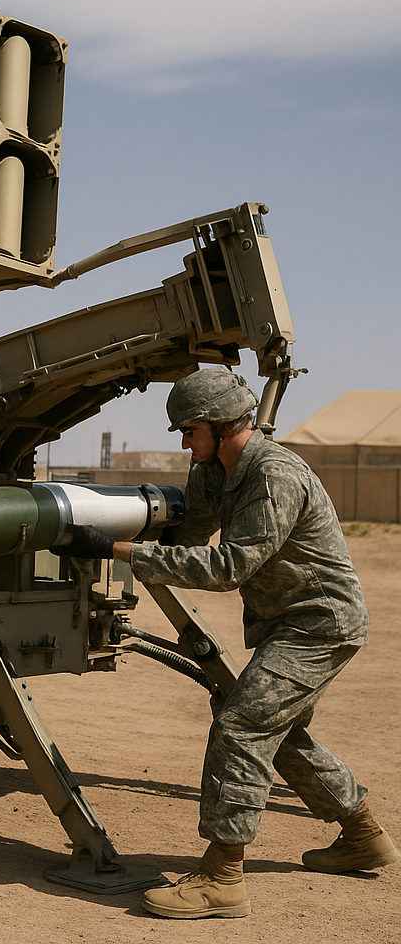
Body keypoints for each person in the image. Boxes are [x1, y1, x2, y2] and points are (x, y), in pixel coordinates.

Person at [58, 367, 397, 919]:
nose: (184, 442)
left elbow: (230, 566)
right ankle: (363, 833)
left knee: (241, 724)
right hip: (287, 623)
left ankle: (222, 877)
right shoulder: (215, 469)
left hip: (319, 625)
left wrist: (118, 552)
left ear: (219, 424)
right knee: (272, 730)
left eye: (189, 430)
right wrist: (114, 532)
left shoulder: (274, 474)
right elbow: (191, 534)